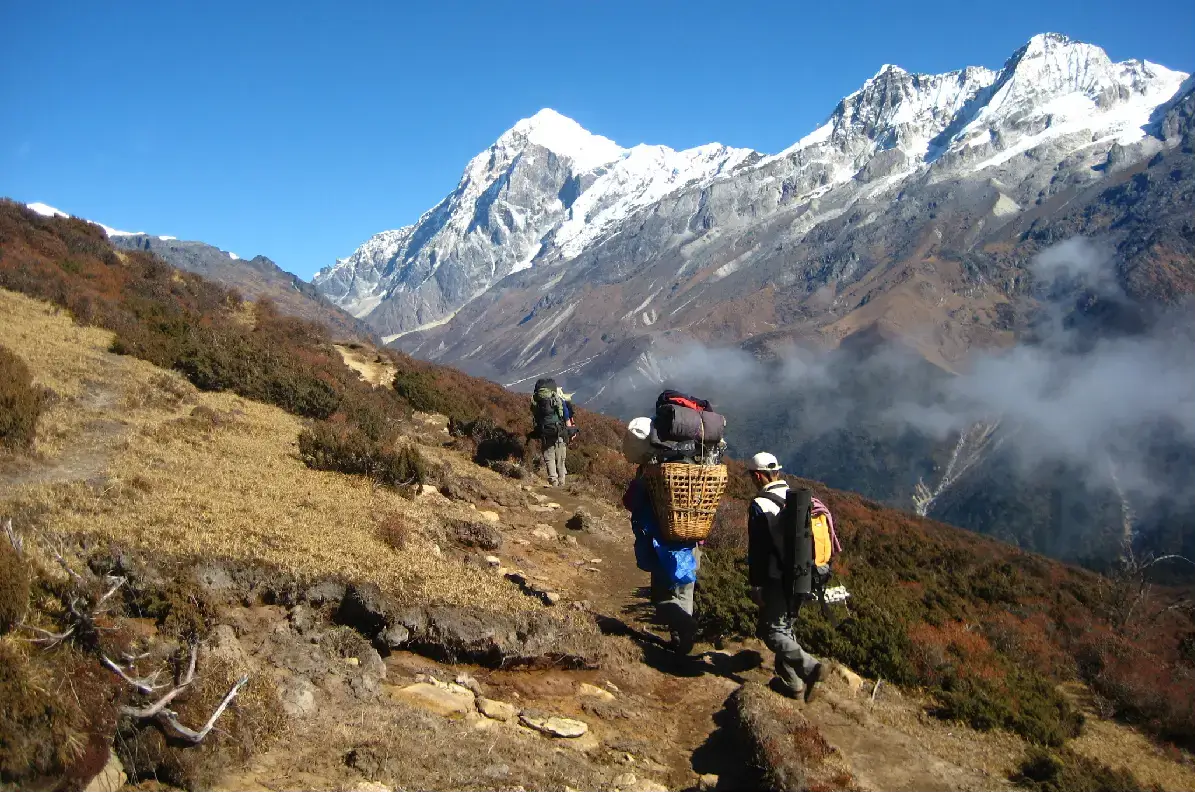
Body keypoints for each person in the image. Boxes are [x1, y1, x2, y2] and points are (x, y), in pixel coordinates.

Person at [746, 452, 829, 701]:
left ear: (758, 476)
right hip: (806, 575)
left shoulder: (760, 505)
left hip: (777, 579)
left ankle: (811, 667)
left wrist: (757, 585)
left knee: (772, 632)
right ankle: (792, 684)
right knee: (786, 627)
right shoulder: (799, 500)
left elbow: (758, 551)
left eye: (752, 476)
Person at [623, 466, 699, 659]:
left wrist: (639, 477)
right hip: (691, 544)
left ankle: (683, 627)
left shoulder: (653, 472)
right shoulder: (697, 473)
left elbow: (630, 502)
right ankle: (681, 644)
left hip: (664, 547)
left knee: (662, 597)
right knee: (684, 594)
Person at [531, 378, 569, 486]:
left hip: (544, 430)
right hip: (558, 429)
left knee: (549, 456)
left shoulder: (536, 399)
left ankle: (553, 480)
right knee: (560, 456)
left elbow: (534, 413)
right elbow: (563, 413)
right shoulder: (555, 398)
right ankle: (562, 480)